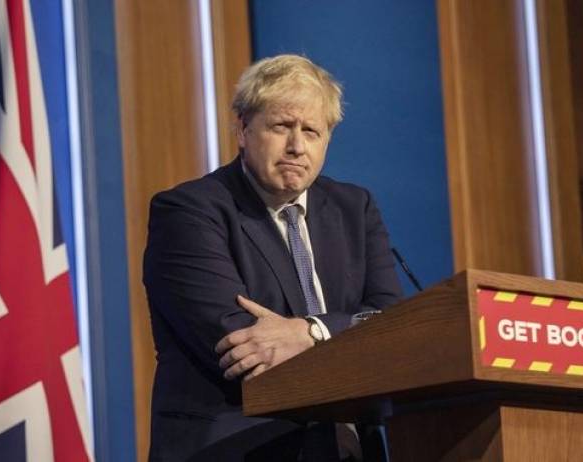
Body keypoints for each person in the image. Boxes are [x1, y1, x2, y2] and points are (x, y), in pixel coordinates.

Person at [143, 54, 403, 461]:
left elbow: (392, 324)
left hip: (347, 449)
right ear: (243, 129)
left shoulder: (355, 208)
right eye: (282, 126)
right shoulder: (189, 211)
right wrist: (355, 333)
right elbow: (241, 346)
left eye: (311, 131)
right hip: (241, 446)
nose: (297, 146)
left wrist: (311, 331)